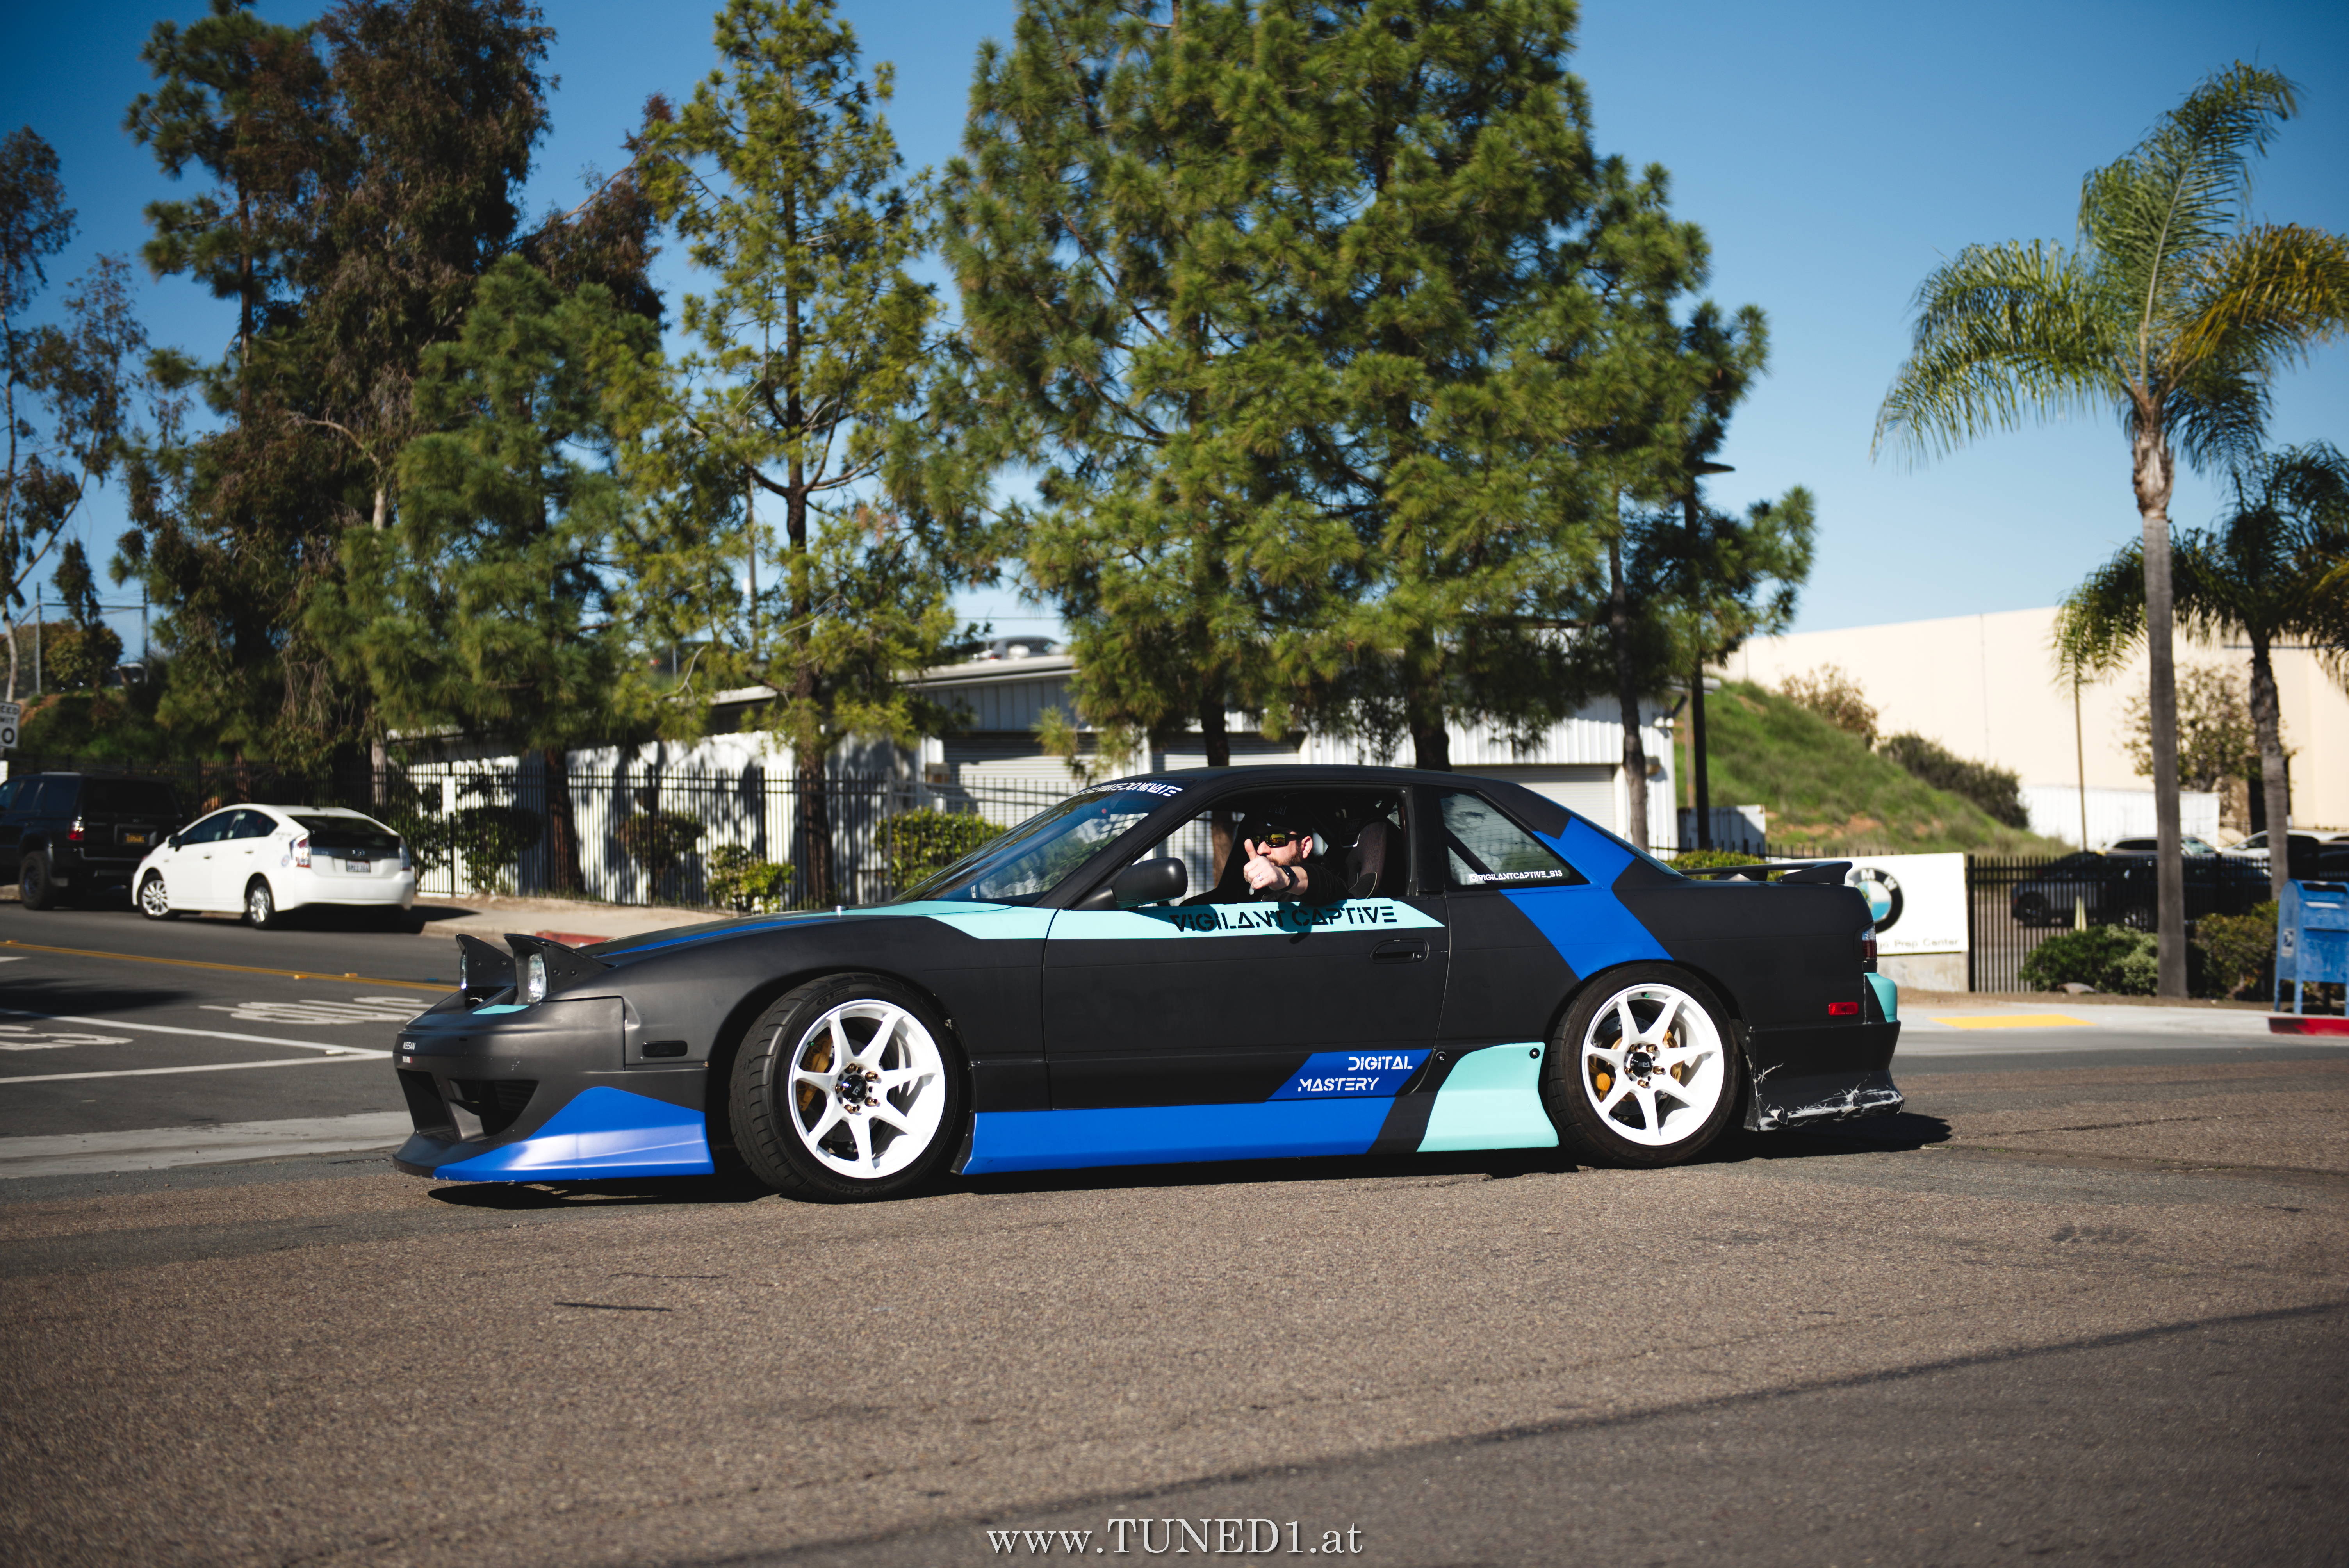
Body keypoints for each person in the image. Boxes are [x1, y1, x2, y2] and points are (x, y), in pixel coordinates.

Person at [1240, 824, 1330, 900]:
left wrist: (1283, 875)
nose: (1261, 850)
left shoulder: (1326, 885)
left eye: (1276, 838)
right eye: (1256, 839)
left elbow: (1324, 883)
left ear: (1305, 847)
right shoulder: (1245, 888)